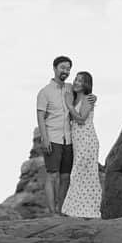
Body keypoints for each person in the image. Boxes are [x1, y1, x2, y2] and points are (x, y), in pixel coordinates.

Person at [35, 56, 96, 215]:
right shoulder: (44, 92)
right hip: (53, 138)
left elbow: (85, 94)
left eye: (68, 69)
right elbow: (40, 117)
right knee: (52, 175)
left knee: (65, 177)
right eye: (62, 68)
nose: (66, 71)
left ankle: (62, 210)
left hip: (69, 140)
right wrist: (44, 138)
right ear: (55, 68)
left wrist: (93, 97)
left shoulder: (70, 88)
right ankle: (53, 211)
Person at [60, 71, 102, 217]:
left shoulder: (87, 99)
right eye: (76, 80)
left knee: (82, 174)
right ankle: (79, 211)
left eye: (81, 81)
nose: (77, 82)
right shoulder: (74, 96)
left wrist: (70, 106)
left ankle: (86, 210)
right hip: (78, 141)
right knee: (81, 174)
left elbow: (81, 119)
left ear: (87, 84)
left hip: (87, 139)